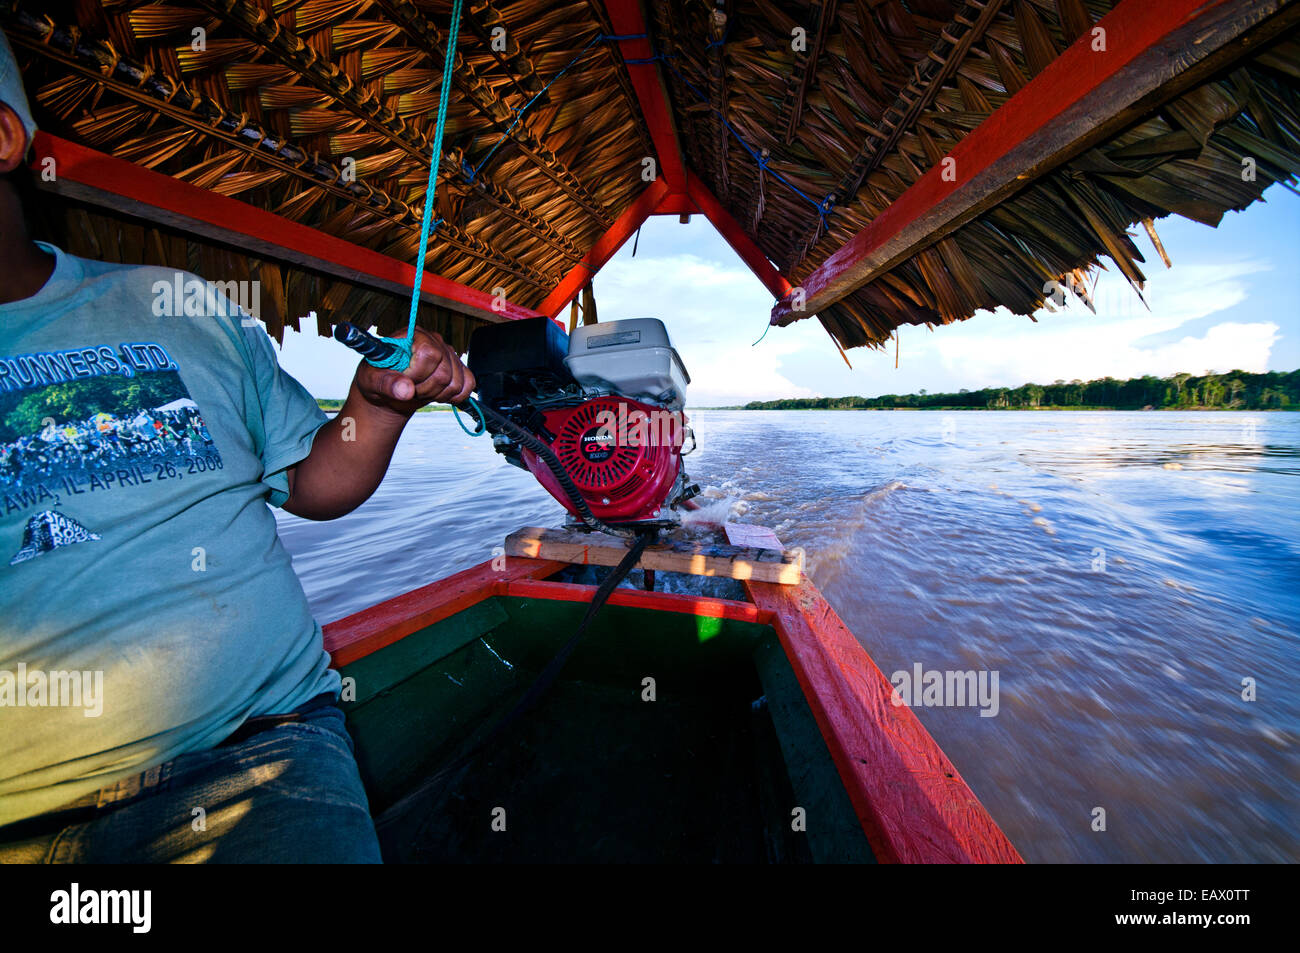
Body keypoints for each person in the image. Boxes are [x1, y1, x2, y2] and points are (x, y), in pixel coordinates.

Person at [0, 30, 474, 862]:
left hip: (266, 753)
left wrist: (375, 403)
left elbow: (314, 481)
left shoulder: (172, 301)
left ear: (4, 138)